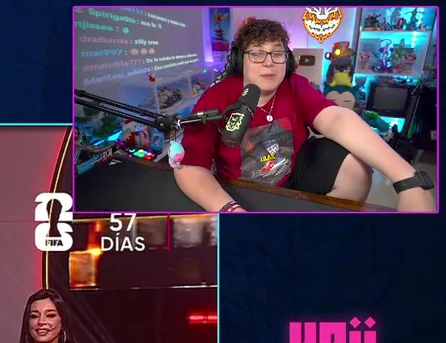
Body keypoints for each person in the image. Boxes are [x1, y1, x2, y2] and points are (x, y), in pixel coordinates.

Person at [176, 18, 435, 212]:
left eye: (277, 53)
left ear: (287, 60)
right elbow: (190, 167)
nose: (269, 62)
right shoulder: (216, 98)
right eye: (256, 53)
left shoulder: (294, 85)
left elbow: (336, 118)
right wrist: (232, 211)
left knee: (355, 166)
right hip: (244, 191)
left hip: (295, 176)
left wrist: (407, 178)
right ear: (239, 60)